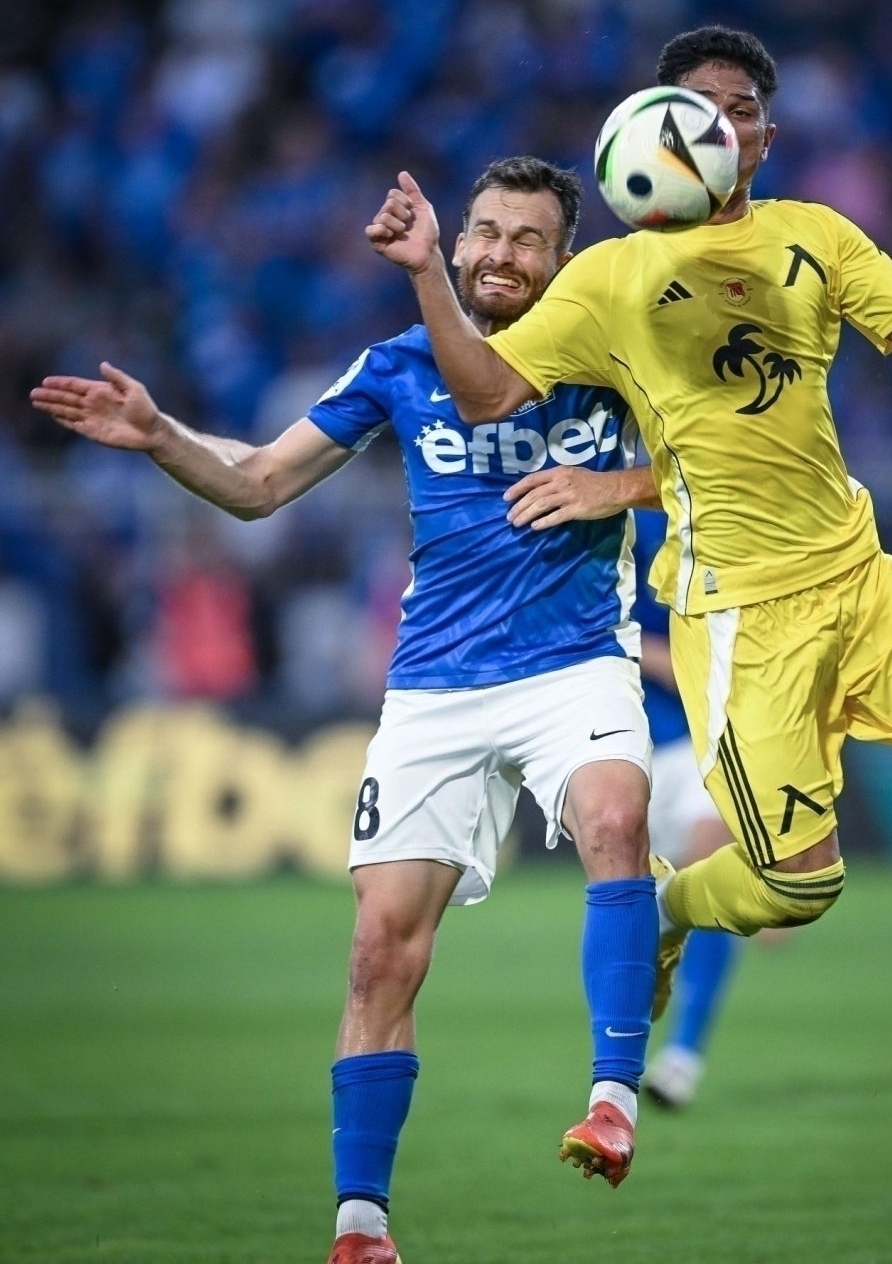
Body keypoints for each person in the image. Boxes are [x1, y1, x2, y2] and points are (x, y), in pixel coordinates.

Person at [363, 27, 892, 1106]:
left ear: (764, 140)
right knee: (799, 888)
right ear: (653, 130)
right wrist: (430, 274)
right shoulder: (609, 277)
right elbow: (487, 394)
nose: (718, 126)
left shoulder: (815, 236)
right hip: (741, 612)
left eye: (738, 110)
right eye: (695, 108)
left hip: (858, 573)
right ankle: (664, 910)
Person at [31, 156, 666, 1264]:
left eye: (530, 239)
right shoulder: (397, 365)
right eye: (487, 232)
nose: (503, 254)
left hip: (574, 663)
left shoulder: (615, 352)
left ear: (566, 261)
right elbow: (260, 483)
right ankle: (360, 1226)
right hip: (434, 684)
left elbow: (732, 461)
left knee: (615, 816)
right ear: (460, 242)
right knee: (379, 951)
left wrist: (615, 486)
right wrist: (164, 435)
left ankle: (613, 1096)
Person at [632, 505, 744, 1110]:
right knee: (641, 909)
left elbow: (712, 665)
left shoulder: (703, 527)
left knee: (706, 875)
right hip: (618, 750)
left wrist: (638, 650)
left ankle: (683, 1055)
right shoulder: (582, 525)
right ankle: (617, 1066)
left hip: (698, 745)